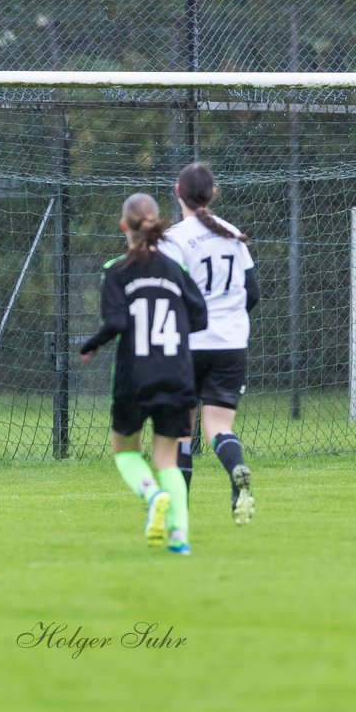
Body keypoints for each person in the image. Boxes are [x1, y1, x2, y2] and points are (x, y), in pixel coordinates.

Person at [79, 193, 208, 555]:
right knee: (168, 458)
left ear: (124, 225)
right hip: (177, 373)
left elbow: (117, 321)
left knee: (126, 453)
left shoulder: (116, 270)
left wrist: (92, 344)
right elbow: (199, 316)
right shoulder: (174, 270)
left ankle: (153, 496)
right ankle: (179, 536)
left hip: (135, 375)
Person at [160, 162, 260, 525]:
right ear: (213, 192)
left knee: (181, 432)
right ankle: (236, 472)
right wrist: (231, 319)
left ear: (178, 193)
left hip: (189, 344)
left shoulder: (174, 238)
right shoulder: (232, 233)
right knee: (219, 427)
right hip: (231, 343)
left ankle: (180, 515)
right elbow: (252, 292)